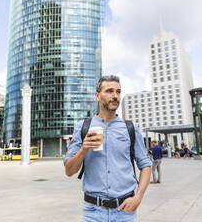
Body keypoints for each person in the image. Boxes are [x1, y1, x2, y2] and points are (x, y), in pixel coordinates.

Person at [64, 75, 152, 222]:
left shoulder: (130, 127)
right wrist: (83, 149)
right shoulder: (83, 127)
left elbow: (146, 165)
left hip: (125, 211)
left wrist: (138, 197)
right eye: (109, 91)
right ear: (97, 96)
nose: (115, 96)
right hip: (93, 212)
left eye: (118, 92)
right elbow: (69, 171)